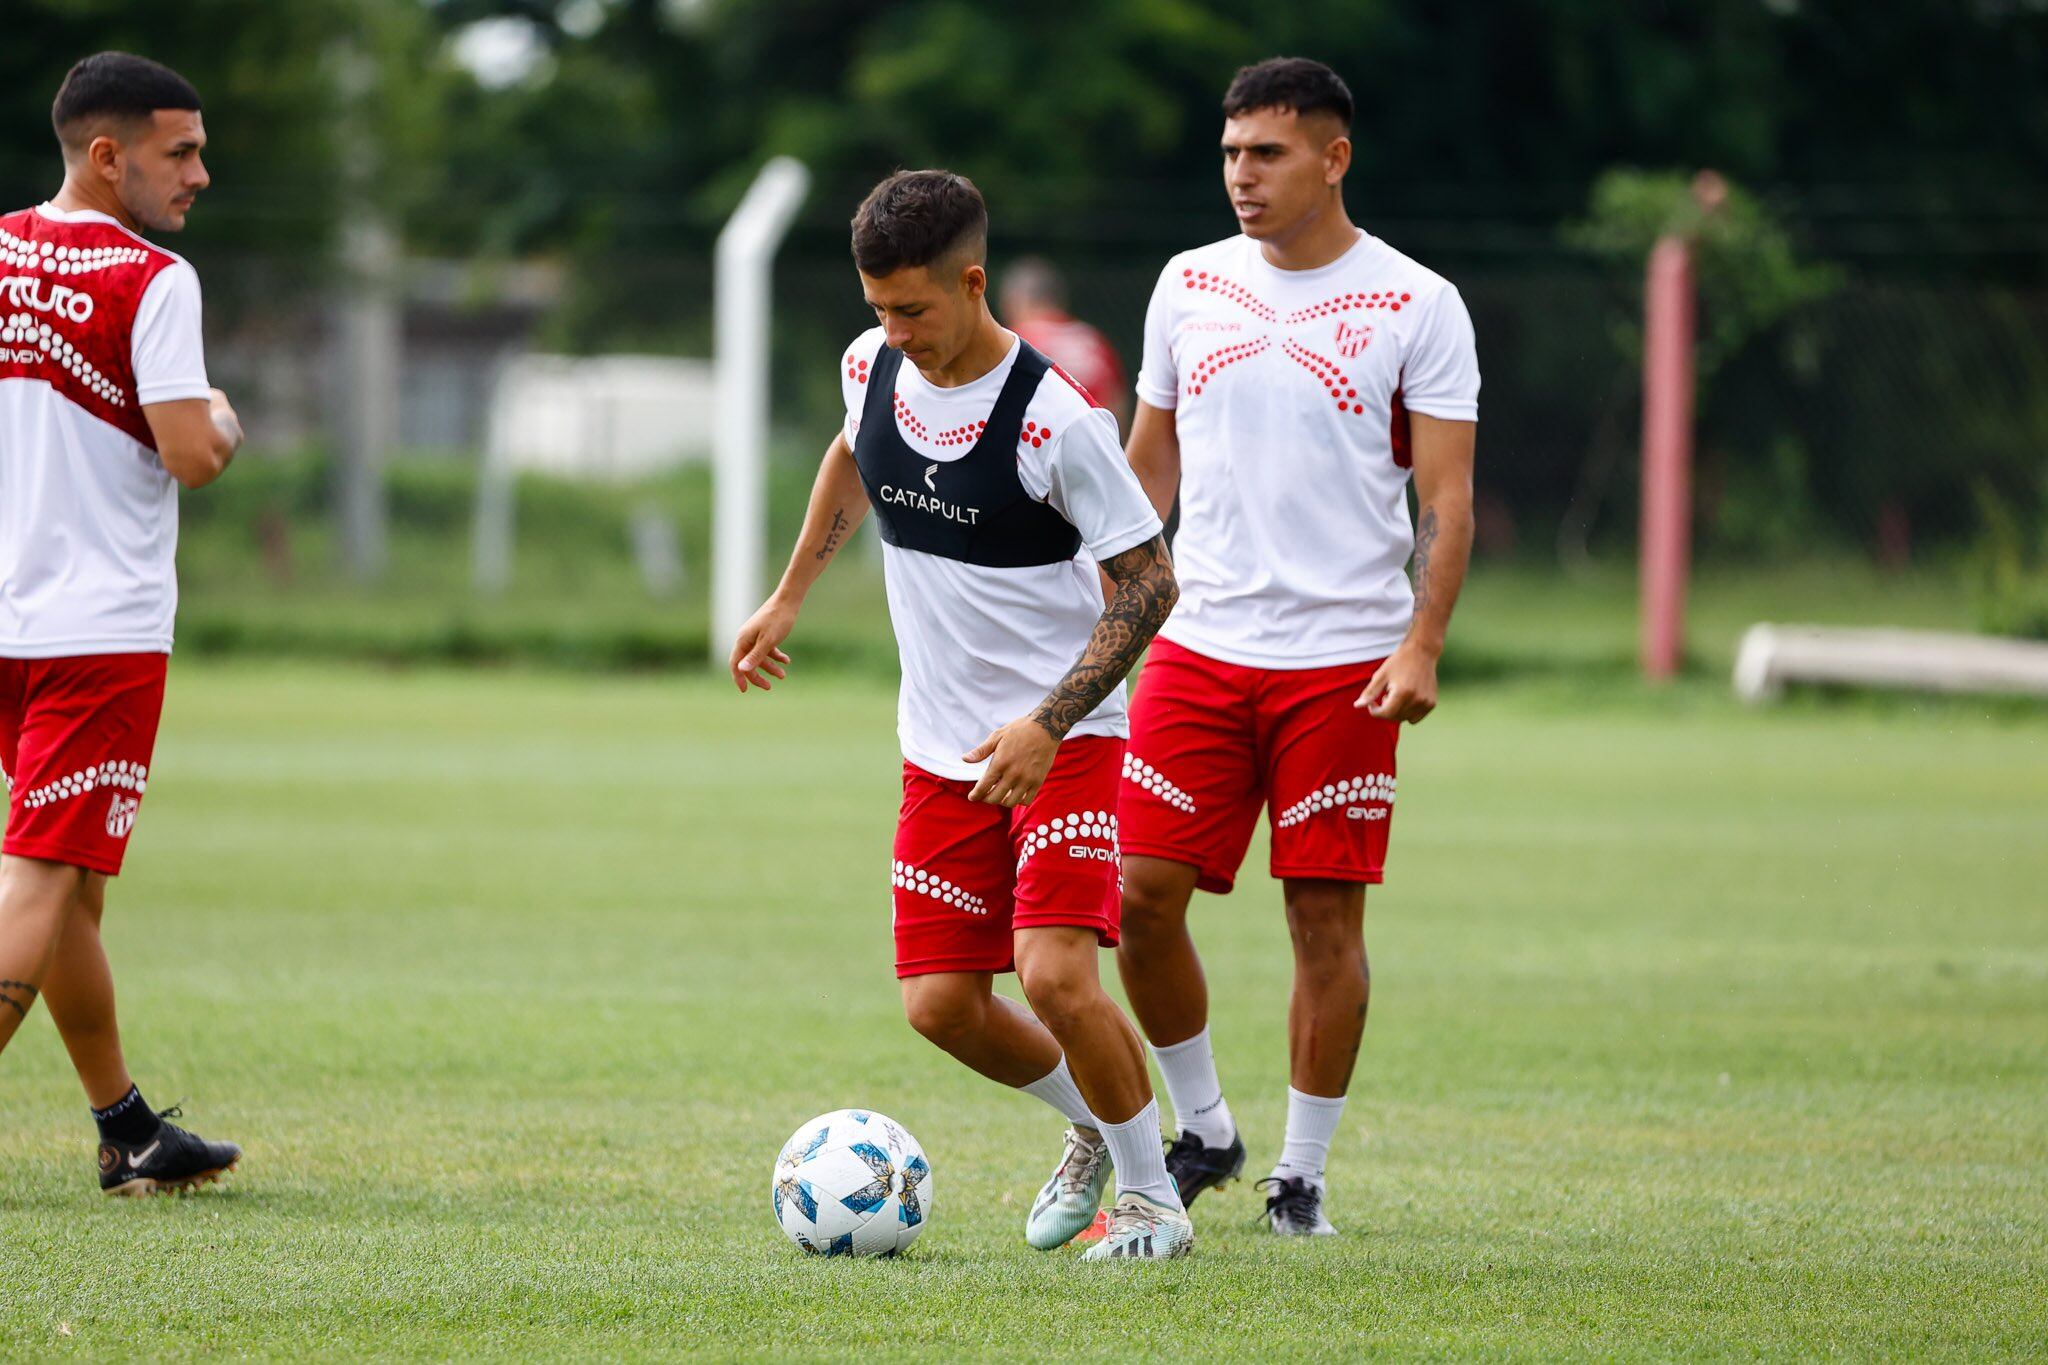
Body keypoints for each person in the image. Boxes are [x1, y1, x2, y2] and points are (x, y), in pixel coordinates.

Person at [730, 170, 1192, 1260]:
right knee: (939, 1005)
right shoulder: (869, 364)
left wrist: (1046, 722)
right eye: (877, 306)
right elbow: (852, 455)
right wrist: (788, 591)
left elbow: (1148, 584)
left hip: (1063, 740)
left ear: (972, 283)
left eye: (912, 309)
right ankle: (1095, 1121)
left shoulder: (1053, 422)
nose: (892, 331)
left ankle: (1151, 1202)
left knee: (1053, 974)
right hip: (937, 746)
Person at [1115, 57, 1480, 1235]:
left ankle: (1298, 1176)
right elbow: (1147, 467)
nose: (1240, 176)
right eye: (1228, 153)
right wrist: (1097, 600)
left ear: (1333, 158)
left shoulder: (1417, 303)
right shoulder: (1185, 284)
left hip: (1344, 662)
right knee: (1138, 897)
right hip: (1199, 643)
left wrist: (1421, 643)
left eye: (1265, 154)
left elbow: (1446, 498)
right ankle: (1205, 1128)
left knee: (1321, 922)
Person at [0, 53, 245, 1195]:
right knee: (43, 878)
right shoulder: (153, 277)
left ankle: (128, 1129)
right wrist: (225, 416)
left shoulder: (3, 247)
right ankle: (127, 1129)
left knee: (72, 894)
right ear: (108, 155)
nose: (200, 172)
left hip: (9, 609)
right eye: (179, 151)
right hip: (95, 629)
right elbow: (193, 456)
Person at [1000, 257, 1131, 434]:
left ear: (1015, 300)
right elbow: (1117, 403)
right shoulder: (1093, 340)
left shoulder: (1016, 341)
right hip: (1099, 446)